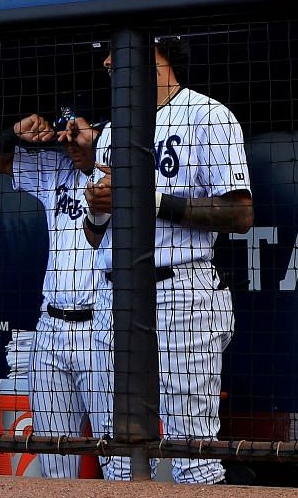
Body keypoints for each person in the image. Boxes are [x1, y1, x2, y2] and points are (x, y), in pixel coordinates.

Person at [83, 37, 254, 483]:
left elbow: (240, 214)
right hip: (115, 295)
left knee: (192, 451)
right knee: (116, 452)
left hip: (182, 291)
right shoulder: (114, 131)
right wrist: (100, 208)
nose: (106, 61)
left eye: (115, 52)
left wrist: (150, 199)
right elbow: (94, 234)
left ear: (157, 54)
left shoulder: (207, 115)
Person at [0, 110, 106, 479]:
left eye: (78, 137)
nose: (71, 145)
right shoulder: (56, 167)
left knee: (118, 455)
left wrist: (96, 144)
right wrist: (15, 132)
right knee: (53, 459)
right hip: (51, 326)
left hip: (104, 327)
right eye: (65, 138)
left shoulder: (128, 172)